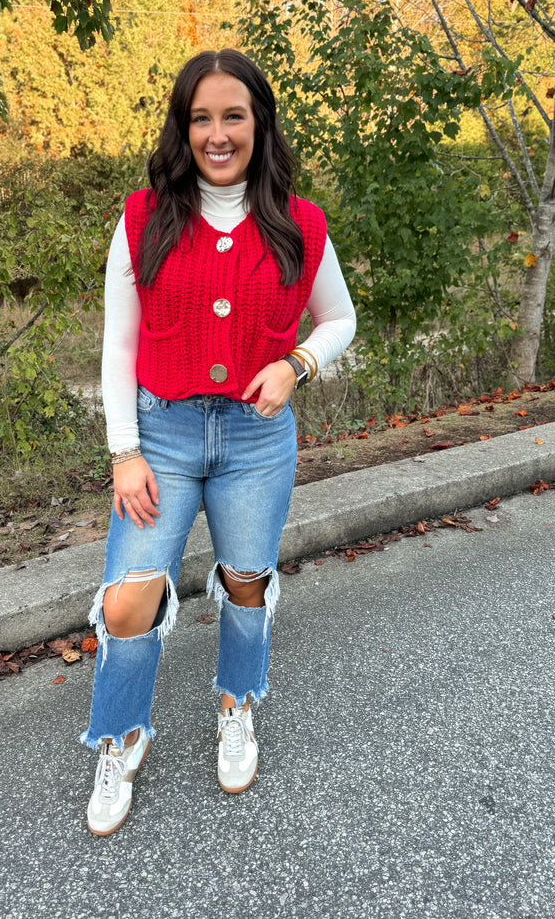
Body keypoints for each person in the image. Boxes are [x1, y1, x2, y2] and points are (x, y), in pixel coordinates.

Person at [80, 49, 356, 836]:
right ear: (183, 126)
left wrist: (296, 363)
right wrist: (123, 450)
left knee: (245, 579)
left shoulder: (300, 222)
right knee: (130, 596)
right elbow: (117, 347)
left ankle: (238, 704)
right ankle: (120, 735)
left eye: (233, 114)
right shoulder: (143, 216)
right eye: (201, 117)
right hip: (160, 433)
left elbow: (339, 318)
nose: (217, 132)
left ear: (260, 122)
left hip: (255, 438)